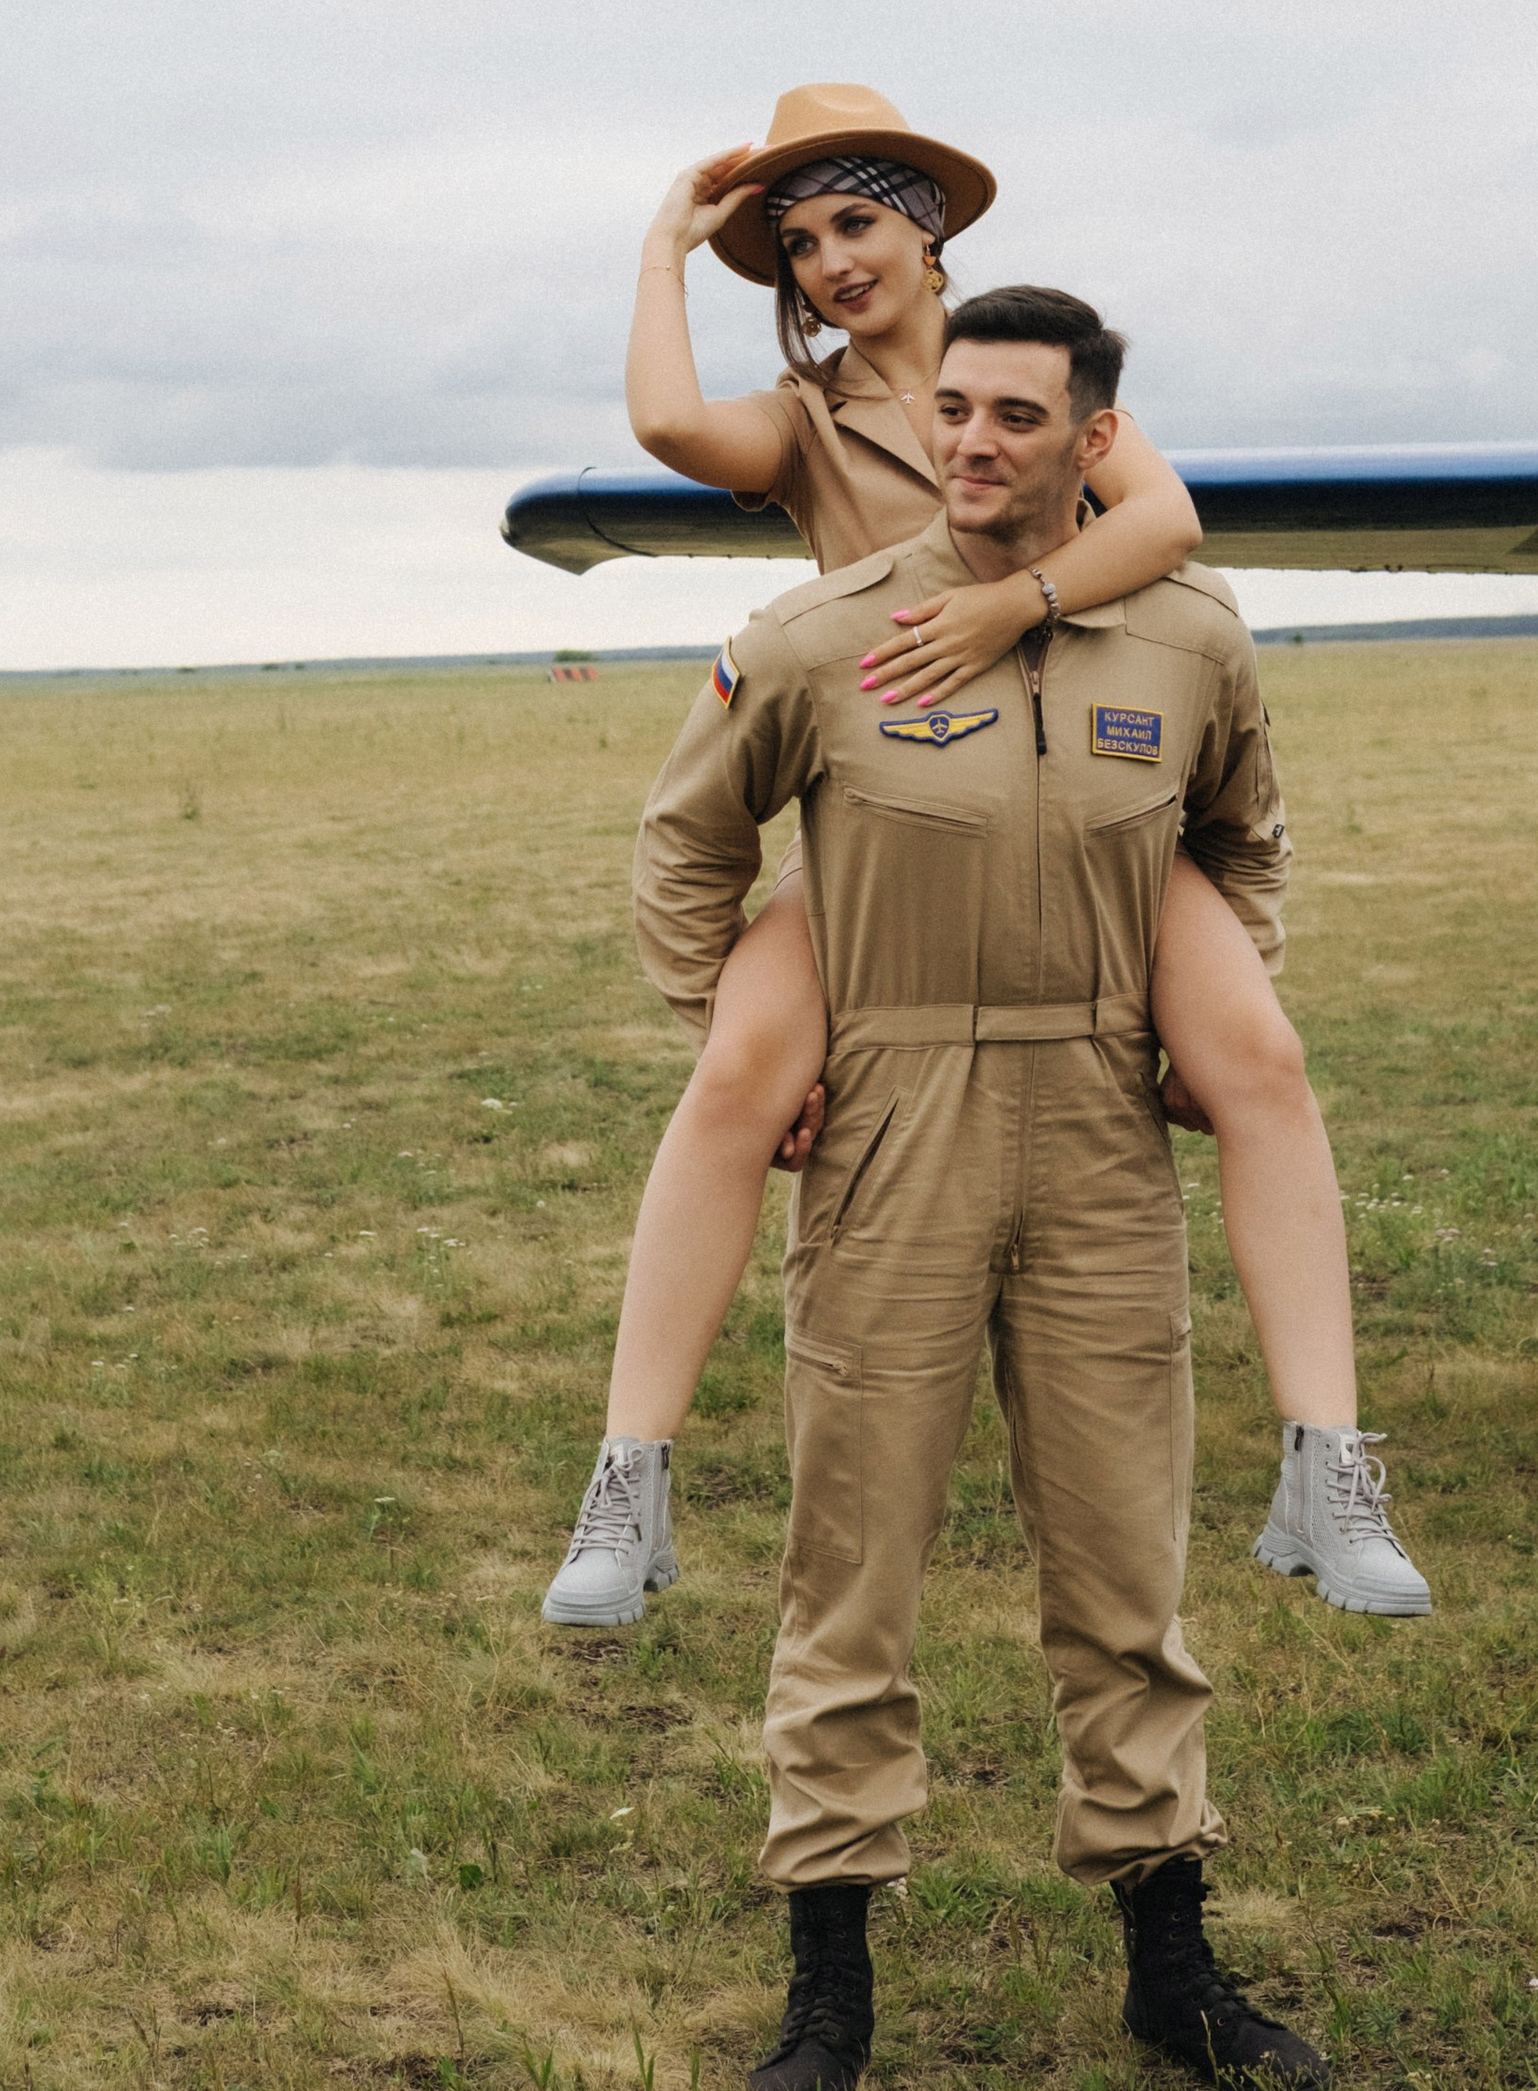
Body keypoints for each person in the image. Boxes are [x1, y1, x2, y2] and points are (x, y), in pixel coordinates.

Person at [542, 84, 1427, 1630]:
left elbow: (1165, 518)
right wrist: (665, 255)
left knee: (1262, 1065)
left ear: (930, 225)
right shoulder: (809, 423)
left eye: (856, 222)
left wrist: (1012, 609)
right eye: (798, 244)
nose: (827, 263)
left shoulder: (1024, 371)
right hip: (900, 813)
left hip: (1088, 791)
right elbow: (672, 425)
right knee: (737, 1080)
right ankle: (629, 1482)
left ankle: (1328, 1466)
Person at [633, 285, 1332, 2091]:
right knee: (848, 1576)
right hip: (895, 1131)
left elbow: (1244, 836)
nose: (973, 443)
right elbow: (688, 833)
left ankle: (1171, 1971)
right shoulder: (818, 636)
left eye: (1018, 416)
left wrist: (1207, 1013)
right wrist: (741, 1036)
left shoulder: (1189, 641)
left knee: (1127, 1575)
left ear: (1093, 439)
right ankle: (829, 1986)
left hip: (1101, 1130)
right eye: (955, 412)